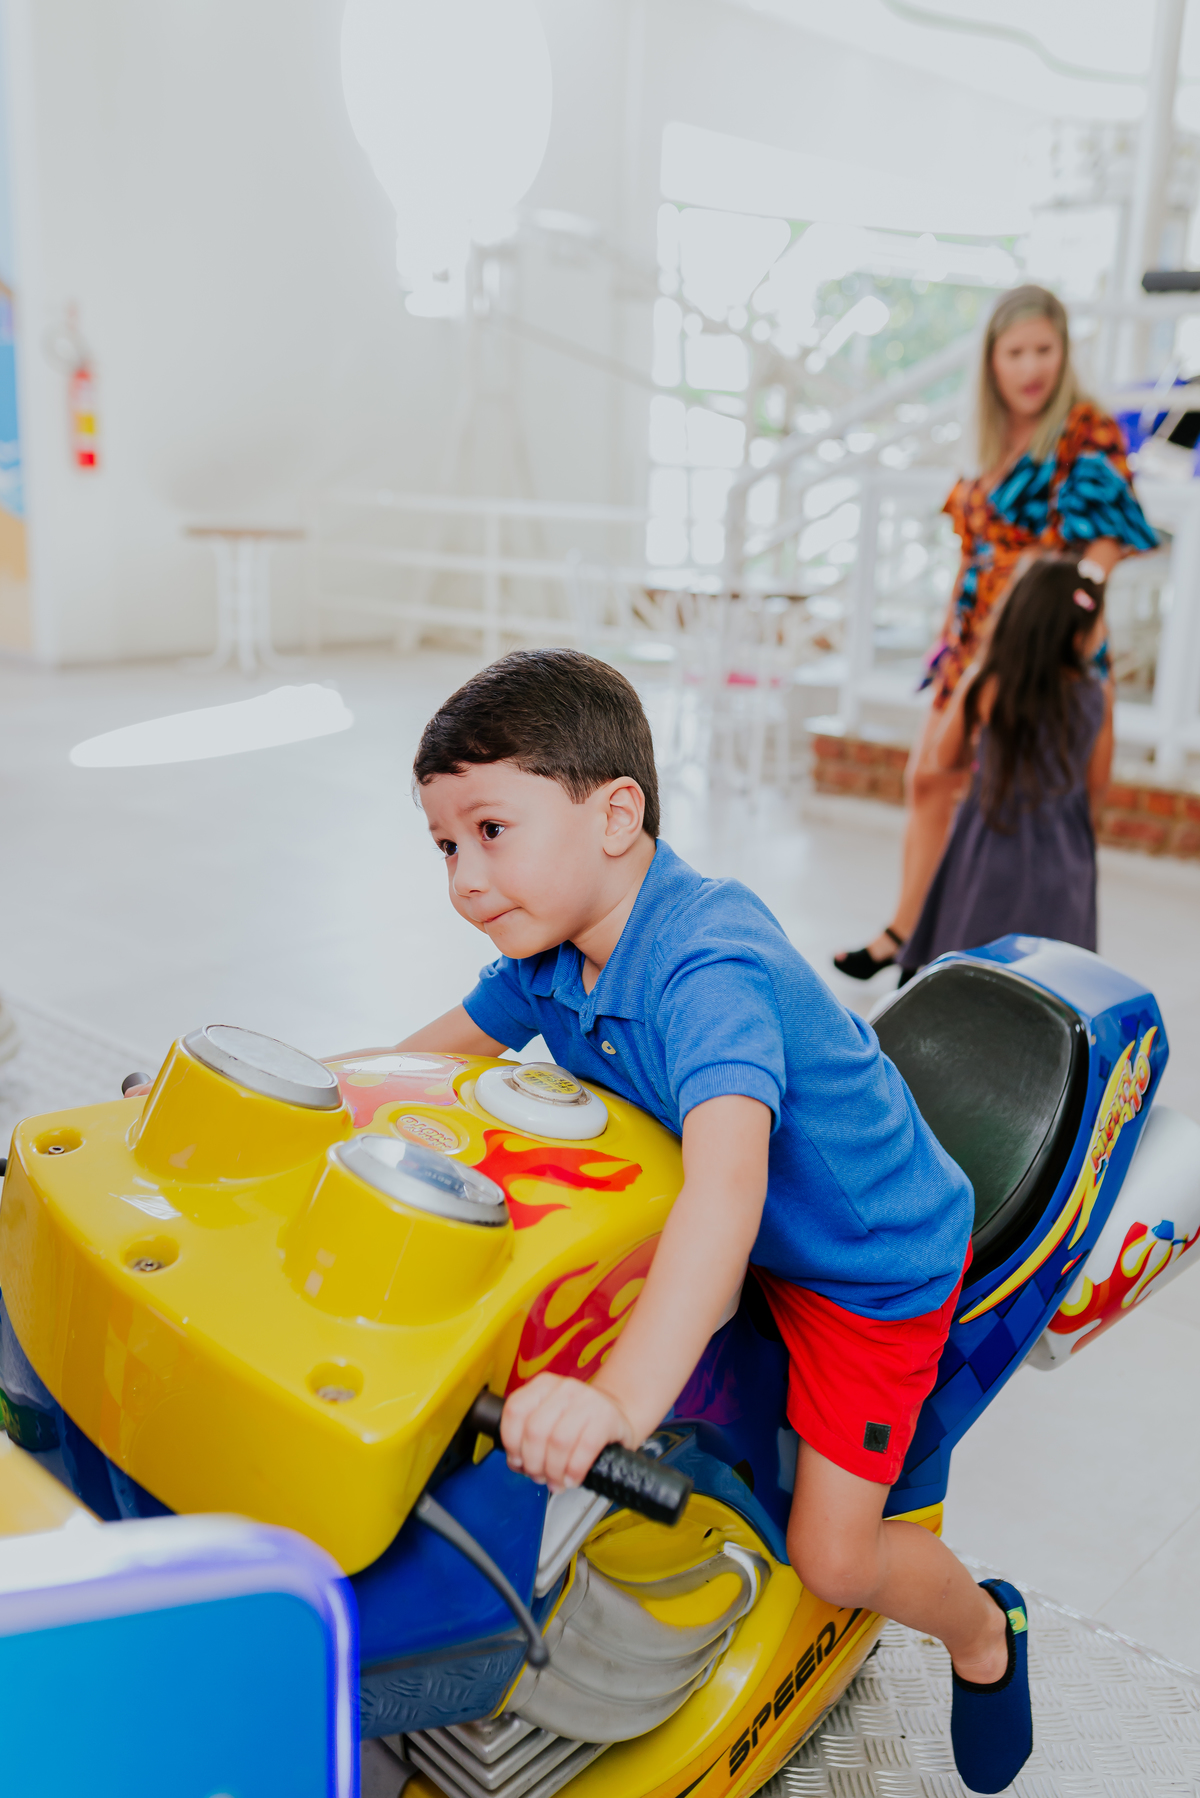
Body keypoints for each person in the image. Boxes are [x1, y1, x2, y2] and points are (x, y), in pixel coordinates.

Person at [393, 646, 1032, 1795]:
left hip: (864, 1265)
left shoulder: (707, 964)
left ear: (615, 814)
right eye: (446, 845)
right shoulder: (548, 951)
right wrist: (260, 1093)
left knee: (834, 1554)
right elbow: (414, 1060)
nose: (464, 880)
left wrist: (616, 1401)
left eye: (492, 830)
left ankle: (985, 1632)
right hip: (746, 1234)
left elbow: (726, 1194)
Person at [836, 283, 1155, 983]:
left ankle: (1020, 949)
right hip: (977, 633)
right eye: (1015, 352)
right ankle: (908, 930)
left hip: (1046, 638)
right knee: (929, 777)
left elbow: (1108, 541)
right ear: (992, 360)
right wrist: (955, 637)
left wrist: (1072, 609)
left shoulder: (1084, 429)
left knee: (1035, 801)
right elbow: (974, 548)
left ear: (1064, 353)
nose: (1030, 366)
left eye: (1044, 349)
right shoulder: (990, 435)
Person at [899, 557, 1111, 978]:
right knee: (1054, 973)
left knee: (971, 958)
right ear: (1076, 634)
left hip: (988, 844)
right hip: (1064, 856)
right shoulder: (1097, 694)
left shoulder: (987, 683)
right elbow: (1097, 785)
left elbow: (944, 758)